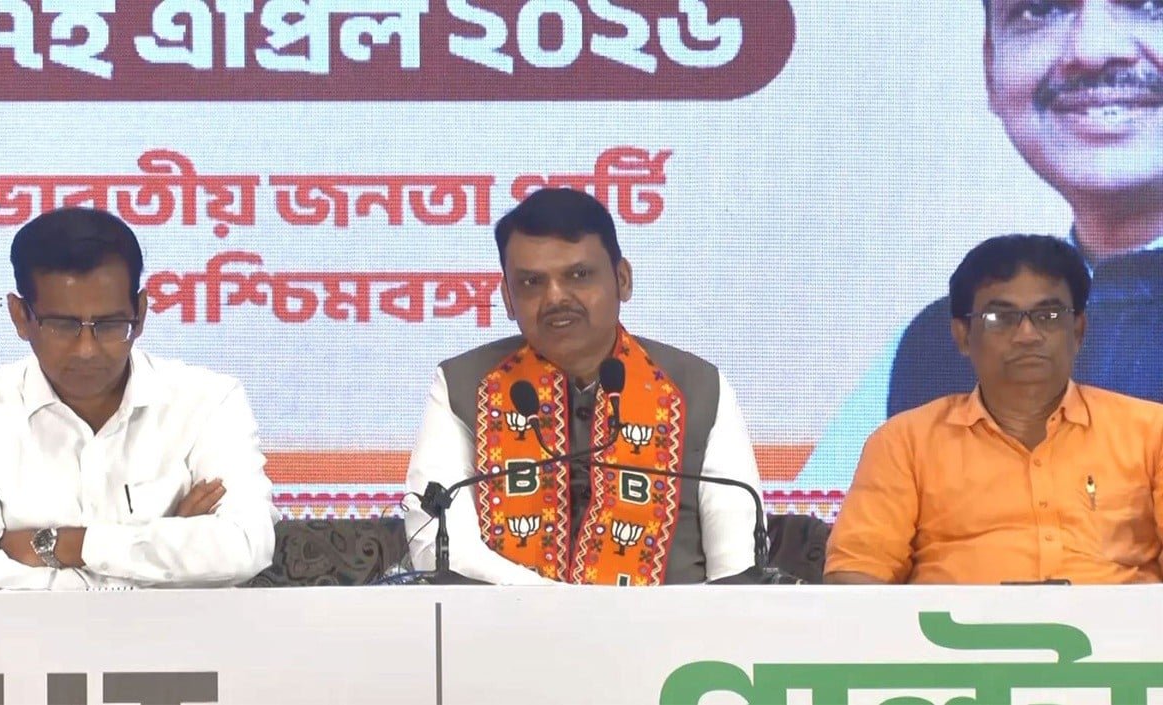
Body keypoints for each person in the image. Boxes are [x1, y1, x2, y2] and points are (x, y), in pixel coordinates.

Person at [800, 0, 1163, 487]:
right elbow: (822, 526)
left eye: (1152, 6)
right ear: (990, 65)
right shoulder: (936, 347)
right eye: (1040, 10)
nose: (1092, 50)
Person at [404, 188, 760, 585]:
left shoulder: (697, 388)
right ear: (507, 298)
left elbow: (738, 569)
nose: (555, 297)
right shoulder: (461, 385)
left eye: (579, 275)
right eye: (531, 282)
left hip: (672, 624)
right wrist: (566, 609)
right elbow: (439, 549)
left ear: (622, 279)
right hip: (501, 622)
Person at [0, 207, 278, 590]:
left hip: (182, 633)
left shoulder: (208, 402)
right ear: (19, 317)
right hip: (31, 635)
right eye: (62, 325)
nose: (87, 350)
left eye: (111, 324)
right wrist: (166, 551)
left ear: (140, 314)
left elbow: (246, 545)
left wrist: (69, 545)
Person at [825, 235, 1163, 584]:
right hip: (955, 621)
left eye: (1049, 315)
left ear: (1078, 330)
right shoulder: (905, 442)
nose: (1028, 335)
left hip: (1117, 619)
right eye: (1000, 317)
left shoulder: (1151, 432)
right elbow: (856, 575)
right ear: (962, 335)